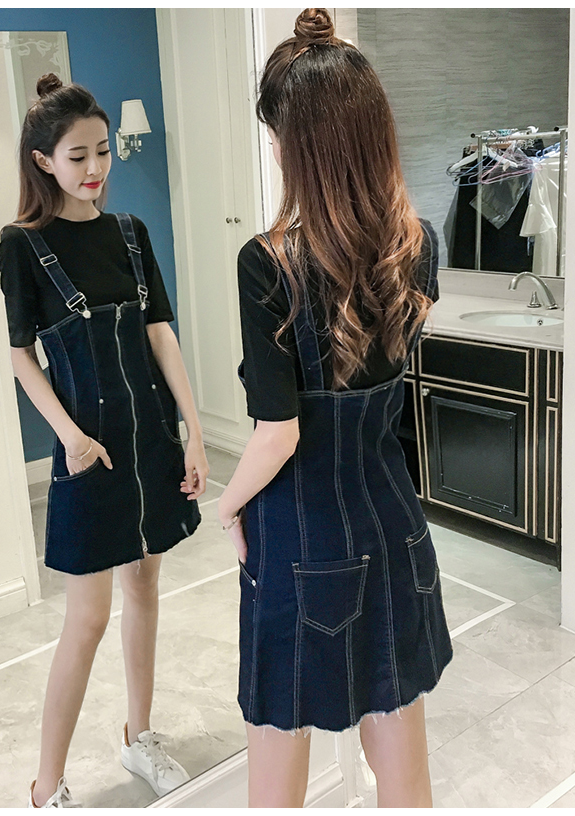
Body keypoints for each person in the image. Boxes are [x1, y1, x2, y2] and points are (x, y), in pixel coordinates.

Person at [218, 9, 452, 808]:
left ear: (298, 145)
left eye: (275, 135)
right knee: (406, 779)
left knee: (276, 781)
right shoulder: (418, 243)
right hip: (397, 530)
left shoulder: (266, 264)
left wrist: (227, 503)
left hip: (302, 541)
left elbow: (276, 435)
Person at [0, 74, 208, 808]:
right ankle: (45, 785)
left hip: (150, 438)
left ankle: (138, 736)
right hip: (88, 452)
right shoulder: (23, 245)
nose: (95, 169)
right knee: (86, 619)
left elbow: (160, 334)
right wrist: (70, 438)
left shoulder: (131, 233)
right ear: (43, 161)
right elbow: (20, 354)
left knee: (145, 587)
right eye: (78, 155)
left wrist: (194, 431)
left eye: (103, 151)